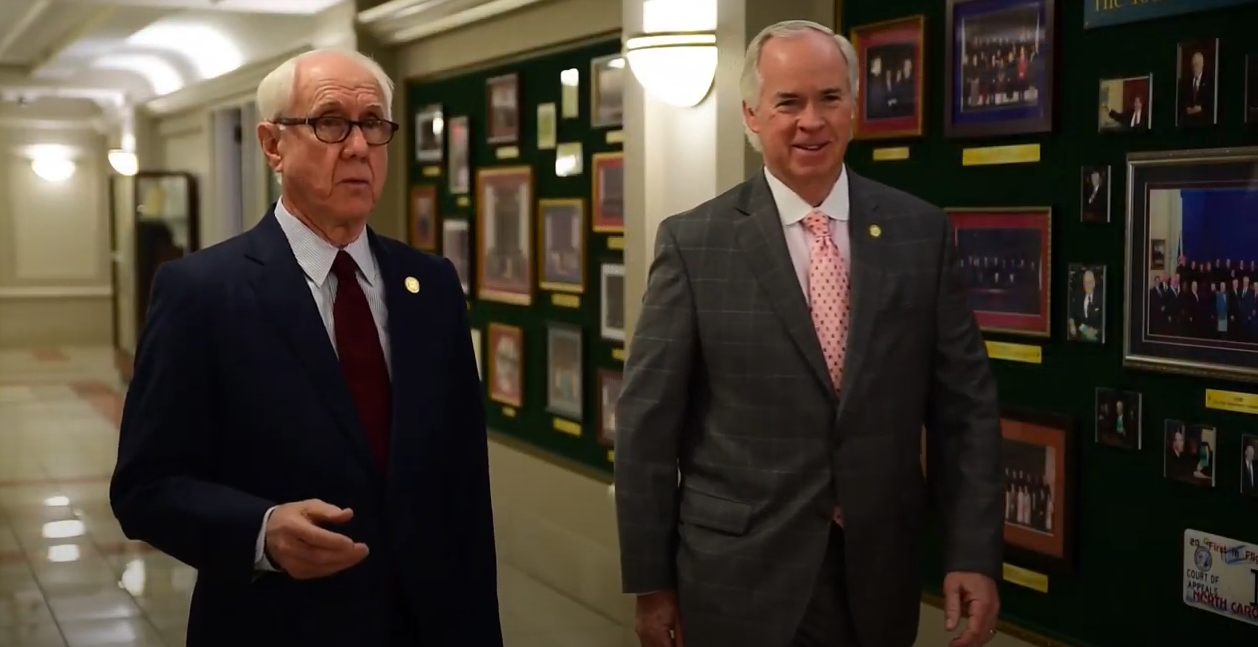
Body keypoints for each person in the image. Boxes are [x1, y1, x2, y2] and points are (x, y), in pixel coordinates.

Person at [614, 20, 1002, 647]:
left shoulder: (919, 233)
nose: (810, 121)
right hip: (736, 579)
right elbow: (647, 431)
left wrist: (975, 553)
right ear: (751, 114)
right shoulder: (694, 243)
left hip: (878, 576)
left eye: (828, 98)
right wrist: (650, 583)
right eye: (788, 103)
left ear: (854, 105)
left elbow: (967, 410)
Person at [109, 48, 501, 647]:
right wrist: (261, 533)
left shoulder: (432, 284)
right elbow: (145, 488)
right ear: (272, 145)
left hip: (428, 621)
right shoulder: (202, 292)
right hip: (279, 623)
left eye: (373, 123)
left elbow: (465, 485)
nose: (358, 147)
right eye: (329, 121)